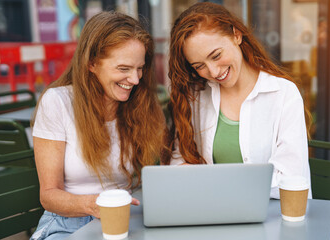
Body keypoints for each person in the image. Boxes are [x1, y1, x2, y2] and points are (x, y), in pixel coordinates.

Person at [30, 11, 166, 239]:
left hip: (126, 220)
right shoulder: (58, 102)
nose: (135, 79)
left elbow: (168, 167)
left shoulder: (141, 104)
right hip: (67, 225)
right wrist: (94, 205)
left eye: (139, 68)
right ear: (92, 63)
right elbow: (49, 196)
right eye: (124, 69)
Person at [163, 2, 311, 199]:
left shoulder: (283, 93)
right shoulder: (197, 96)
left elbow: (290, 175)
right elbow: (178, 156)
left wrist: (213, 182)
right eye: (199, 66)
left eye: (216, 55)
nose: (213, 72)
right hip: (214, 211)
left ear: (236, 35)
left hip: (275, 213)